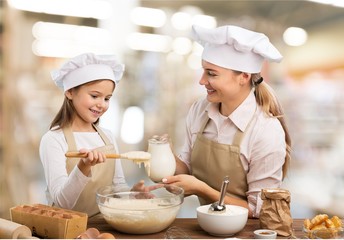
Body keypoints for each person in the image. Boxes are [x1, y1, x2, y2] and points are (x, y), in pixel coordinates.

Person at [162, 25, 291, 218]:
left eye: (211, 74)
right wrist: (164, 154)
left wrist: (202, 190)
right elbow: (187, 168)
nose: (202, 81)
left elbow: (260, 210)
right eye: (203, 71)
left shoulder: (265, 131)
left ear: (244, 77)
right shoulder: (200, 110)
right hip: (206, 226)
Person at [40, 53, 158, 217]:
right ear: (70, 92)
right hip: (66, 229)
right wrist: (83, 167)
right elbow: (61, 202)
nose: (101, 104)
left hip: (104, 226)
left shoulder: (108, 137)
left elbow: (117, 187)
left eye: (107, 98)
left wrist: (131, 195)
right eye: (94, 96)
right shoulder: (53, 140)